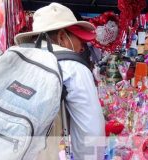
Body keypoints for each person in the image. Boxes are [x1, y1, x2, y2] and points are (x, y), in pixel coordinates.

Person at [14, 3, 105, 160]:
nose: (81, 47)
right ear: (63, 37)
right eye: (79, 40)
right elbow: (91, 131)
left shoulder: (18, 60)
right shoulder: (73, 66)